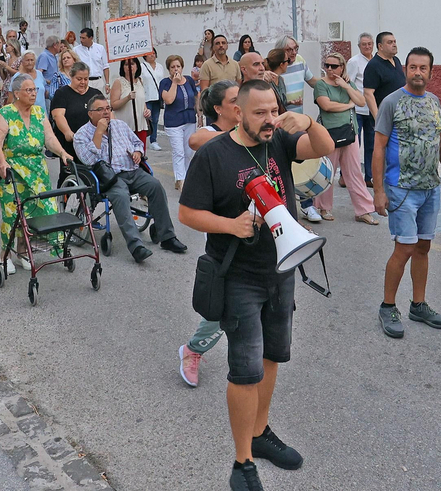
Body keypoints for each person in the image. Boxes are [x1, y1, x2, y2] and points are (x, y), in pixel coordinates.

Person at [177, 79, 334, 491]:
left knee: (272, 357)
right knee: (245, 370)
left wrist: (309, 122)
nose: (269, 119)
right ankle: (242, 462)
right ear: (238, 112)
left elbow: (323, 149)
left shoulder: (279, 141)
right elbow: (188, 213)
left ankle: (260, 433)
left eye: (273, 110)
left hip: (281, 270)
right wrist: (231, 225)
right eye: (260, 112)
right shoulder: (214, 154)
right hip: (238, 276)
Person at [371, 46, 441, 339]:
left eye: (423, 68)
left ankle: (418, 305)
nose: (417, 72)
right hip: (401, 189)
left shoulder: (434, 102)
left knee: (423, 247)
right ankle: (387, 306)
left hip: (430, 189)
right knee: (404, 248)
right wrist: (378, 189)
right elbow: (378, 147)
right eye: (412, 67)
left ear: (431, 72)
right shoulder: (391, 102)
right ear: (405, 69)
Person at [178, 80, 241, 387]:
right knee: (223, 303)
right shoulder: (215, 135)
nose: (242, 103)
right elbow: (194, 139)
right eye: (234, 100)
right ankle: (193, 350)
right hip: (224, 234)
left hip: (260, 229)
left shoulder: (254, 131)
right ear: (218, 109)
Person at [74, 95, 188, 262]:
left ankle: (168, 237)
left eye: (107, 108)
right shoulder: (81, 135)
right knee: (120, 196)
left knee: (155, 186)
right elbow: (90, 161)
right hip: (110, 178)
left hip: (133, 171)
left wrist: (137, 152)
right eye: (100, 109)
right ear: (90, 113)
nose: (106, 112)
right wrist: (99, 132)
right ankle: (136, 246)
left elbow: (137, 143)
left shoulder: (119, 125)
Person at [0, 72, 74, 273]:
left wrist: (62, 152)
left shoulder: (38, 112)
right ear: (16, 93)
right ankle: (5, 256)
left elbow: (49, 138)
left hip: (36, 170)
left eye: (34, 89)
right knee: (13, 214)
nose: (33, 93)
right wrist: (0, 162)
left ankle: (24, 252)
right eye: (29, 90)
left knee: (37, 211)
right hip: (11, 171)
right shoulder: (5, 114)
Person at [311, 51, 373, 223]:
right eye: (327, 65)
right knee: (327, 172)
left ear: (342, 67)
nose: (330, 69)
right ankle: (323, 207)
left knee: (354, 172)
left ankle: (363, 210)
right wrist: (347, 105)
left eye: (334, 66)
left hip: (349, 132)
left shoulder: (347, 83)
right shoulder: (321, 85)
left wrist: (346, 87)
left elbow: (361, 102)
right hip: (329, 133)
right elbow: (326, 106)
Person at [362, 32, 404, 188]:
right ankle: (384, 188)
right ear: (380, 46)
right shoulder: (374, 65)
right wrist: (379, 118)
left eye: (394, 41)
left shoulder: (397, 61)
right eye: (389, 42)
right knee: (385, 154)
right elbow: (368, 93)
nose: (394, 44)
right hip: (385, 119)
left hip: (401, 117)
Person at [158, 54, 198, 190]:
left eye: (178, 66)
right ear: (169, 69)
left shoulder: (189, 80)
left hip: (189, 120)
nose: (176, 69)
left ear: (182, 67)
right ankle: (180, 179)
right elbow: (168, 100)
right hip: (174, 121)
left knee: (188, 151)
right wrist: (174, 82)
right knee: (178, 152)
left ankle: (185, 176)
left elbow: (195, 97)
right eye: (173, 67)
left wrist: (199, 113)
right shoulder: (165, 83)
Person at [49, 61, 103, 159]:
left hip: (94, 142)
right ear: (71, 77)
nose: (83, 82)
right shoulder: (61, 94)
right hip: (72, 143)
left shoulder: (96, 94)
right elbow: (58, 115)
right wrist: (67, 132)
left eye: (86, 79)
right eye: (79, 79)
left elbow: (106, 113)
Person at [345, 32, 375, 192]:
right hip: (357, 109)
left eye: (369, 44)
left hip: (371, 109)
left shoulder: (376, 61)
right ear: (359, 46)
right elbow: (348, 84)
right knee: (354, 145)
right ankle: (346, 175)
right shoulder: (354, 62)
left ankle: (369, 176)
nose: (367, 47)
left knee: (371, 144)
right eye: (364, 44)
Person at [110, 57, 153, 144]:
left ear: (137, 66)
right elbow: (113, 105)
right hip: (125, 127)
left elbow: (142, 101)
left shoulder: (140, 81)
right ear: (123, 67)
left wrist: (147, 110)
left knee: (140, 154)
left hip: (140, 125)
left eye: (132, 64)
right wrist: (127, 98)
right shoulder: (118, 82)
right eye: (126, 64)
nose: (130, 67)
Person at [275, 37, 313, 114]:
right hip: (280, 118)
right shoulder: (273, 66)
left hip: (298, 116)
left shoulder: (300, 60)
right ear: (279, 51)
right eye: (289, 50)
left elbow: (313, 81)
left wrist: (332, 79)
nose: (294, 52)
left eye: (296, 49)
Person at [140, 49, 166, 151]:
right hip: (147, 96)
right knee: (146, 118)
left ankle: (153, 140)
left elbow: (162, 81)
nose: (152, 56)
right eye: (150, 54)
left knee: (155, 119)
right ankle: (143, 139)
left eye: (154, 53)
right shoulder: (142, 66)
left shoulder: (160, 66)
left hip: (157, 96)